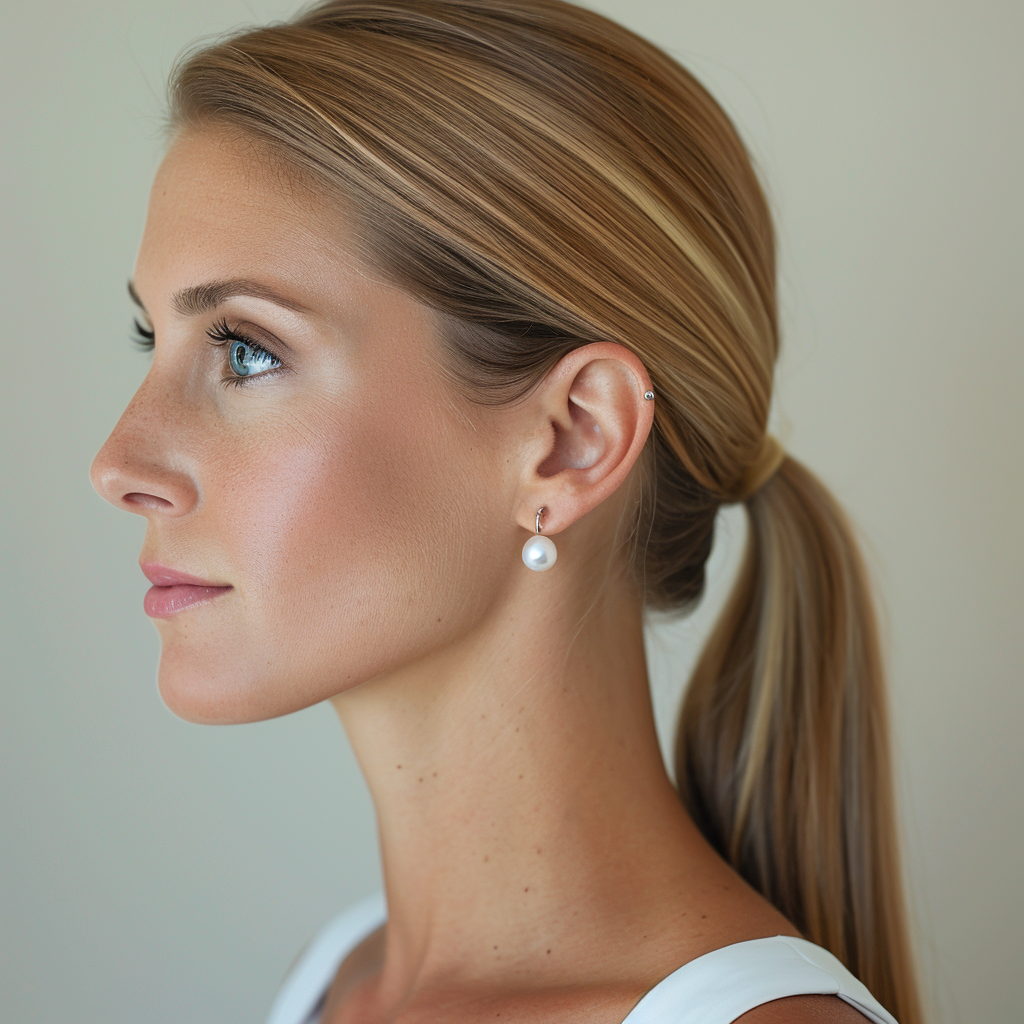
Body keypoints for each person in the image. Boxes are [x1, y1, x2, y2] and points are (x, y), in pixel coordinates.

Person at [89, 1, 923, 1022]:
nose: (119, 463)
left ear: (572, 438)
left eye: (246, 350)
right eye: (153, 340)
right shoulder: (341, 978)